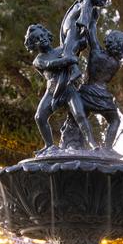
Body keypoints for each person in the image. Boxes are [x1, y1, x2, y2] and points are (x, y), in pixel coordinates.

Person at [25, 23, 96, 154]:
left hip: (69, 90)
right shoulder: (38, 60)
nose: (42, 39)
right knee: (39, 117)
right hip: (52, 92)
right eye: (36, 39)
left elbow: (80, 44)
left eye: (42, 35)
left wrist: (84, 35)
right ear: (32, 45)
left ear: (47, 34)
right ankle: (50, 145)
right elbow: (50, 64)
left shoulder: (63, 49)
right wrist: (69, 59)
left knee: (80, 115)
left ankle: (93, 144)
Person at [77, 31, 123, 151]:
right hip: (103, 96)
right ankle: (108, 148)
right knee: (114, 121)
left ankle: (82, 144)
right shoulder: (116, 63)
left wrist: (92, 20)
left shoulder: (96, 53)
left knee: (80, 119)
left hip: (86, 93)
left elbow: (92, 35)